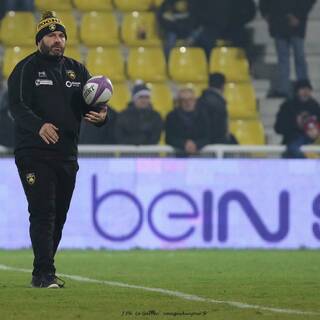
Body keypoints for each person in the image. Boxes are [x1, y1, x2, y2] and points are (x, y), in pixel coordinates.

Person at [8, 11, 107, 288]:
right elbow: (16, 106)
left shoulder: (78, 70)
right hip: (33, 153)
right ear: (40, 40)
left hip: (66, 154)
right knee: (43, 211)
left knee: (59, 215)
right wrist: (39, 126)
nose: (58, 40)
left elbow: (92, 108)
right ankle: (44, 273)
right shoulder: (26, 68)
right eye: (51, 35)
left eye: (62, 35)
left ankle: (43, 271)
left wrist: (103, 116)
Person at [259, 0, 316, 98]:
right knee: (283, 59)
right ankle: (284, 88)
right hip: (278, 21)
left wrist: (298, 15)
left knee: (299, 57)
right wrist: (266, 13)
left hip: (295, 23)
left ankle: (303, 86)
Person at [274, 79, 320, 158]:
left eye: (308, 89)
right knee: (294, 150)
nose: (306, 92)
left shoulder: (315, 105)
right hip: (293, 140)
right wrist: (296, 127)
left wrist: (316, 131)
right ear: (296, 91)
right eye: (302, 89)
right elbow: (278, 128)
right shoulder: (287, 106)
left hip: (313, 141)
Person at [165, 87, 210, 155]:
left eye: (190, 99)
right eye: (183, 100)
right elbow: (169, 138)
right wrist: (184, 144)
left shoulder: (204, 116)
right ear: (179, 102)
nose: (187, 102)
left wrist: (196, 144)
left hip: (200, 155)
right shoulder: (171, 116)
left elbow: (208, 136)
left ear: (195, 100)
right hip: (178, 155)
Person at [197, 73, 236, 144]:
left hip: (202, 142)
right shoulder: (219, 103)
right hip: (215, 142)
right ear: (223, 85)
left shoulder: (200, 99)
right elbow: (219, 127)